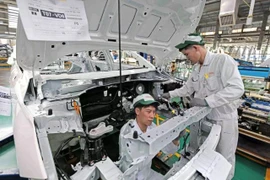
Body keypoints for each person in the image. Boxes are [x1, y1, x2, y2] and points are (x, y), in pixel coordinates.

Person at [162, 33, 244, 180]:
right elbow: (187, 89)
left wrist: (207, 101)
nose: (188, 59)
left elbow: (237, 89)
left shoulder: (222, 61)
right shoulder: (196, 69)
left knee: (224, 157)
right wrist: (169, 94)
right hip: (204, 118)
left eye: (187, 54)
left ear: (196, 48)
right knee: (204, 154)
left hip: (223, 119)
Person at [118, 93, 179, 180]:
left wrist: (174, 138)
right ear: (137, 111)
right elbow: (136, 162)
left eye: (154, 112)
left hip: (147, 174)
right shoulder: (127, 131)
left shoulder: (152, 127)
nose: (152, 116)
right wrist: (159, 138)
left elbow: (170, 150)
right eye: (148, 111)